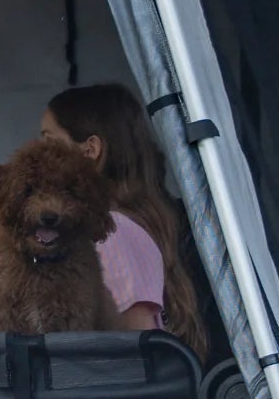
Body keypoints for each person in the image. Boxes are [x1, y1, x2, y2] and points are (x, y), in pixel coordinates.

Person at [38, 83, 209, 359]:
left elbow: (138, 355)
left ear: (90, 149)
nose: (37, 155)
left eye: (48, 141)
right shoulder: (140, 222)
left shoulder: (111, 232)